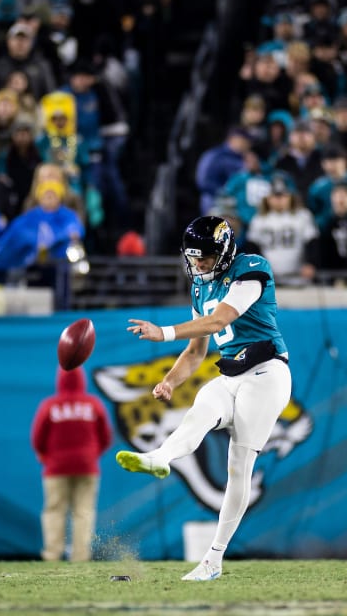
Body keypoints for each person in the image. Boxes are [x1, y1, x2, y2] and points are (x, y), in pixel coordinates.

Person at [119, 216, 291, 581]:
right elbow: (197, 352)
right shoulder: (200, 287)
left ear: (226, 253)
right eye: (193, 257)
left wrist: (164, 333)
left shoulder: (252, 268)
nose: (198, 265)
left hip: (267, 373)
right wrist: (169, 381)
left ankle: (213, 559)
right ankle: (159, 457)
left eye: (206, 258)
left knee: (237, 465)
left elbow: (218, 322)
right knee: (202, 406)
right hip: (232, 372)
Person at [29, 364, 113, 563]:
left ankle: (52, 555)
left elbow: (37, 438)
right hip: (87, 467)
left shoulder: (49, 405)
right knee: (83, 512)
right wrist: (92, 454)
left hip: (55, 468)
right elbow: (106, 437)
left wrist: (44, 455)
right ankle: (81, 556)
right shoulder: (94, 404)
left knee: (54, 510)